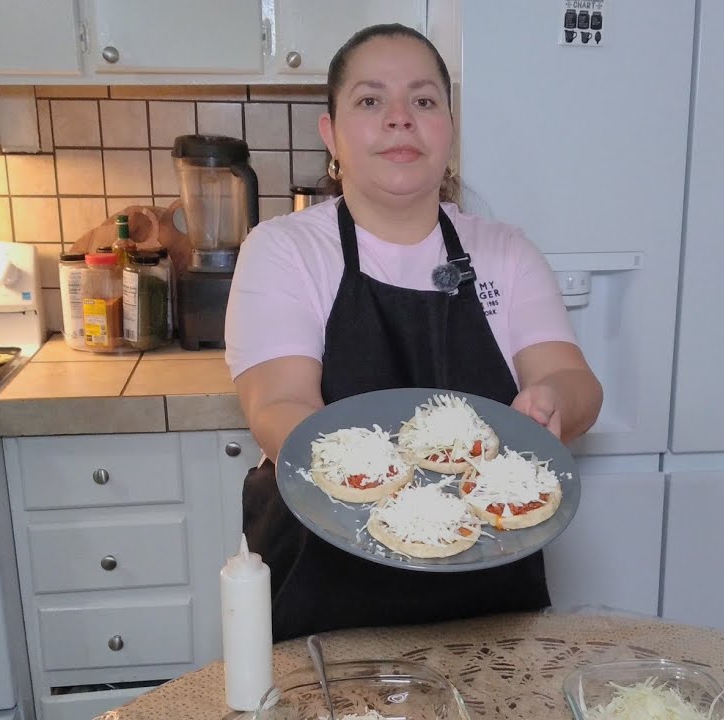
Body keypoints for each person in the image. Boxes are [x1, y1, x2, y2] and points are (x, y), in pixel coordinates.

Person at [224, 23, 603, 642]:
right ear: (332, 134)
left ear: (449, 128)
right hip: (329, 593)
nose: (400, 119)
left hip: (489, 597)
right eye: (370, 101)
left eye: (423, 101)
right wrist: (376, 470)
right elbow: (277, 403)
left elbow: (572, 380)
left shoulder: (504, 250)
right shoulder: (284, 250)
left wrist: (555, 402)